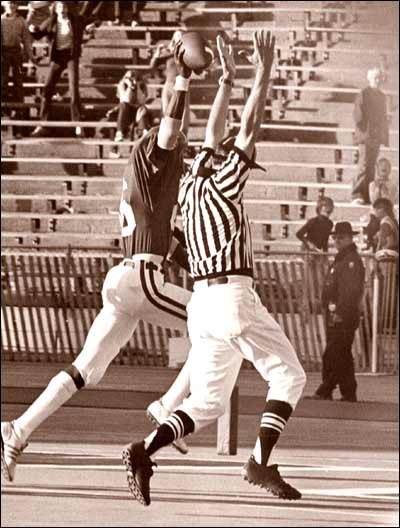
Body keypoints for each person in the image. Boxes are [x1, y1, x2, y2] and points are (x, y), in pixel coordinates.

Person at [121, 30, 306, 507]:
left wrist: (226, 79)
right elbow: (248, 128)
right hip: (231, 297)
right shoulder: (225, 179)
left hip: (202, 303)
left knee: (205, 402)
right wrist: (263, 74)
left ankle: (144, 450)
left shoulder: (192, 179)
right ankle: (261, 462)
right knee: (289, 376)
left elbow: (212, 133)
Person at [0, 39, 197, 484]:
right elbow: (169, 127)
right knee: (216, 325)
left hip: (126, 277)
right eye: (177, 145)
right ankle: (169, 405)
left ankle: (17, 430)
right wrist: (183, 76)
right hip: (139, 275)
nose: (181, 149)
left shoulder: (147, 180)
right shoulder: (152, 152)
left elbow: (169, 234)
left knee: (86, 368)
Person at [310, 222, 365, 402]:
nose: (337, 241)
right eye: (335, 237)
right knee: (342, 353)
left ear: (350, 238)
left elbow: (350, 291)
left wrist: (340, 312)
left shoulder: (350, 260)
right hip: (336, 312)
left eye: (341, 237)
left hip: (343, 314)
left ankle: (325, 389)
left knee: (334, 352)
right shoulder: (342, 258)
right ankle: (349, 392)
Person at [29, 1, 85, 138]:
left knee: (74, 89)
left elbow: (88, 23)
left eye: (64, 7)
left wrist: (92, 27)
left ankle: (77, 124)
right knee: (47, 88)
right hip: (57, 57)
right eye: (59, 7)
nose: (62, 9)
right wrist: (32, 29)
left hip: (71, 56)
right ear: (55, 9)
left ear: (67, 8)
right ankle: (43, 123)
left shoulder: (75, 20)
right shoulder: (51, 21)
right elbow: (38, 34)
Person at [351, 67, 389, 205]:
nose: (377, 81)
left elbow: (383, 117)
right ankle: (356, 194)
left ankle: (367, 195)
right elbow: (358, 116)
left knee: (372, 166)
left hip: (376, 136)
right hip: (365, 135)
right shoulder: (363, 94)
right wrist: (366, 130)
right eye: (375, 78)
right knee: (363, 165)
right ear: (369, 79)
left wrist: (383, 135)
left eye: (379, 78)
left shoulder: (382, 97)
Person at [1, 1, 39, 137]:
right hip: (3, 52)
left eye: (14, 4)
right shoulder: (1, 20)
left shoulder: (21, 21)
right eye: (9, 4)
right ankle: (3, 107)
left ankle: (19, 107)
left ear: (17, 6)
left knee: (18, 80)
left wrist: (31, 57)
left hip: (16, 52)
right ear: (5, 5)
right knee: (3, 80)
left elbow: (26, 40)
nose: (11, 6)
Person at [98, 70, 152, 158]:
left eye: (133, 77)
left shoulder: (142, 86)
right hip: (124, 111)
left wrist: (137, 87)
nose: (131, 79)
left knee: (142, 109)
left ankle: (143, 136)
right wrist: (130, 87)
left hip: (136, 111)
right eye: (128, 77)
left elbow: (141, 101)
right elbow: (125, 100)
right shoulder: (122, 85)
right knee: (123, 106)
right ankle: (119, 134)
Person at [365, 158, 395, 251]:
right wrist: (378, 188)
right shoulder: (372, 185)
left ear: (389, 170)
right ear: (377, 169)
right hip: (375, 216)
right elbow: (373, 201)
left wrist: (385, 189)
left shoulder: (392, 185)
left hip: (387, 215)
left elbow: (390, 201)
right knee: (372, 228)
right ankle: (371, 245)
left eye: (386, 169)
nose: (384, 171)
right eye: (381, 169)